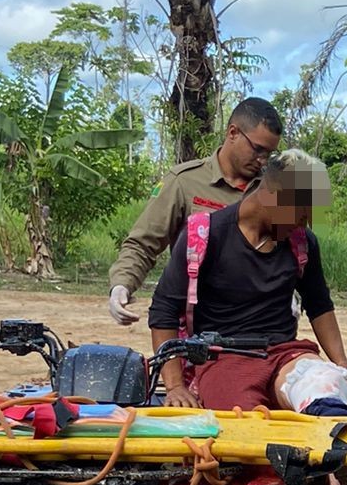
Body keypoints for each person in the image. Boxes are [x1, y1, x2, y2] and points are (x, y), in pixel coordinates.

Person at [147, 148, 347, 485]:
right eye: (301, 212)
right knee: (249, 429)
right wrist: (173, 385)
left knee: (325, 386)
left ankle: (337, 484)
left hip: (284, 352)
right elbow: (163, 313)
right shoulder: (206, 235)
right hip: (224, 356)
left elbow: (320, 306)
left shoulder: (302, 244)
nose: (305, 222)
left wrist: (344, 368)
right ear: (272, 196)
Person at [107, 97, 283, 325]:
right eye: (257, 149)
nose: (262, 160)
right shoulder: (184, 182)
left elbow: (284, 253)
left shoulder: (271, 192)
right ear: (233, 133)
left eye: (269, 154)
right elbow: (143, 243)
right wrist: (122, 285)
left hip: (257, 323)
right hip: (197, 322)